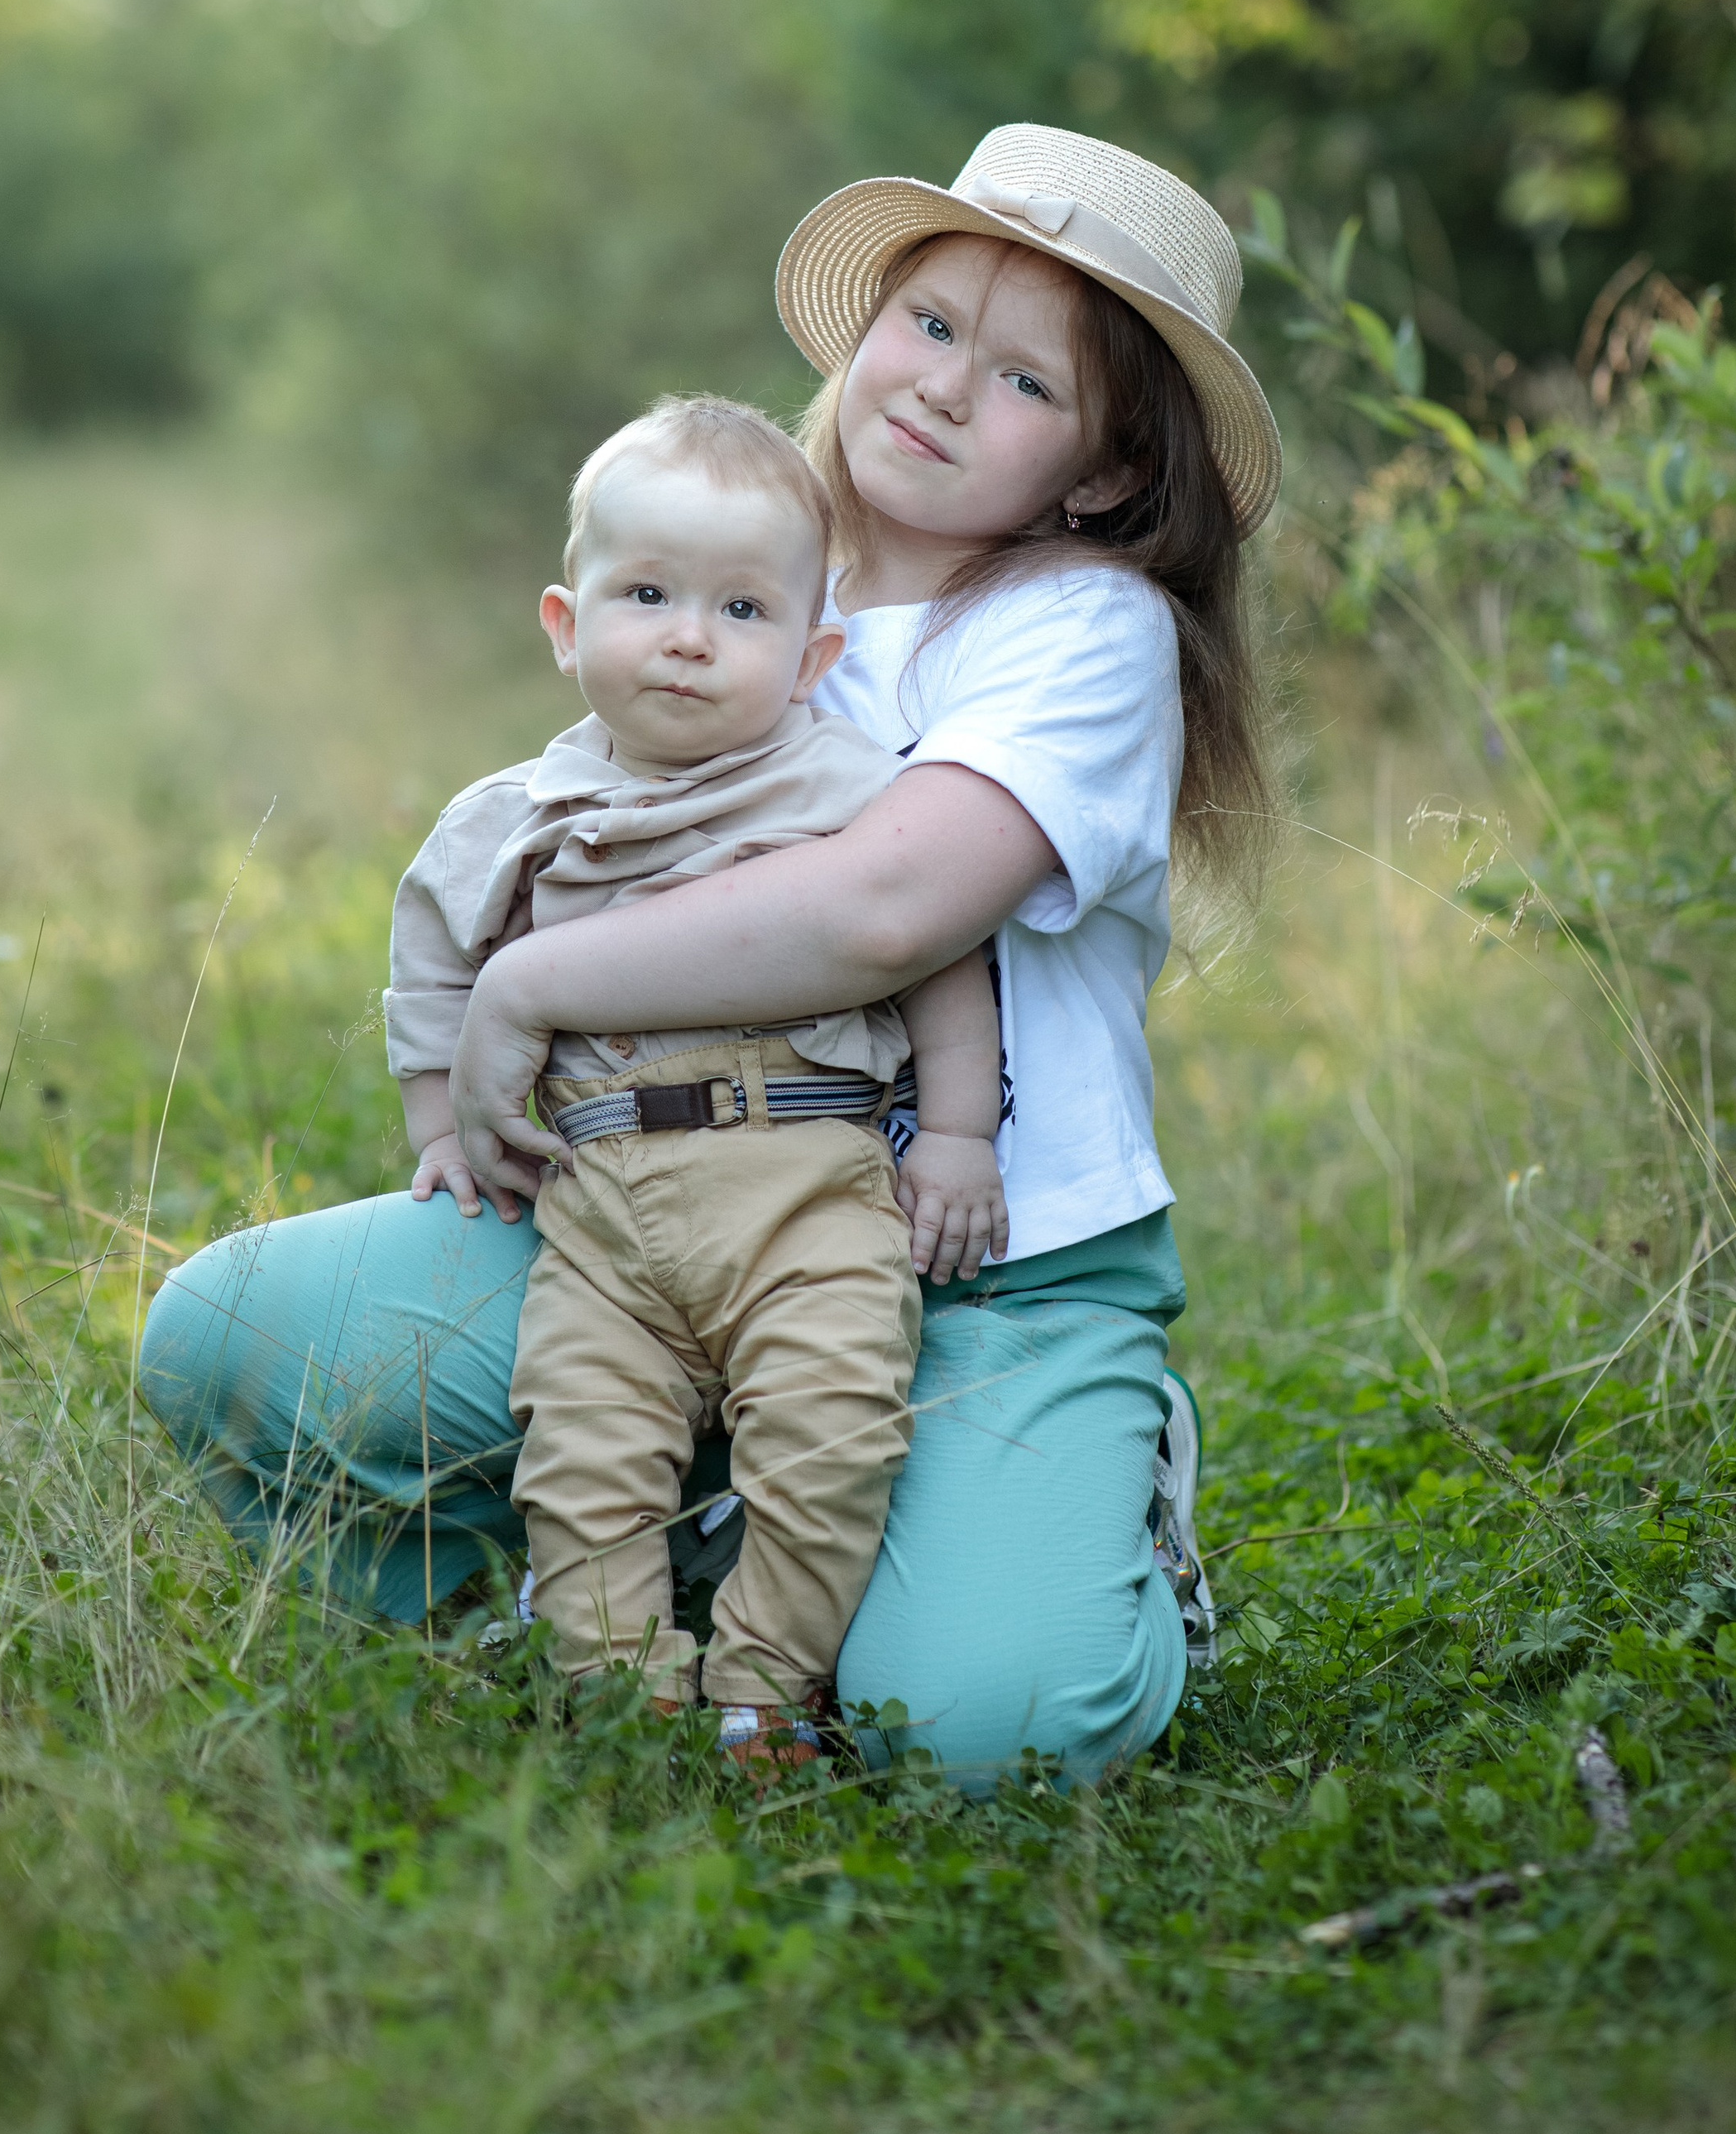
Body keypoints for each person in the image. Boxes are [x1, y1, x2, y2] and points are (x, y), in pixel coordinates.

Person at [140, 122, 1278, 1791]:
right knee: (223, 1341)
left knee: (978, 1732)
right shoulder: (743, 566)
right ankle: (657, 1542)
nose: (948, 389)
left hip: (982, 1273)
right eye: (932, 323)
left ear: (1103, 472)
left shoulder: (1080, 631)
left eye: (1028, 384)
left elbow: (882, 910)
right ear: (868, 326)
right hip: (649, 1219)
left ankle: (1083, 1496)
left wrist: (527, 997)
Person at [390, 393, 1005, 1765]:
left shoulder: (845, 787)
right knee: (582, 1460)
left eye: (742, 611)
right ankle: (624, 1696)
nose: (688, 635)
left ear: (810, 655)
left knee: (833, 1430)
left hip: (808, 1181)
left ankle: (764, 1692)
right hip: (599, 1205)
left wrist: (957, 1134)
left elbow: (941, 955)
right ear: (565, 624)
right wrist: (442, 1123)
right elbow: (431, 969)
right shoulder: (512, 820)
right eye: (649, 593)